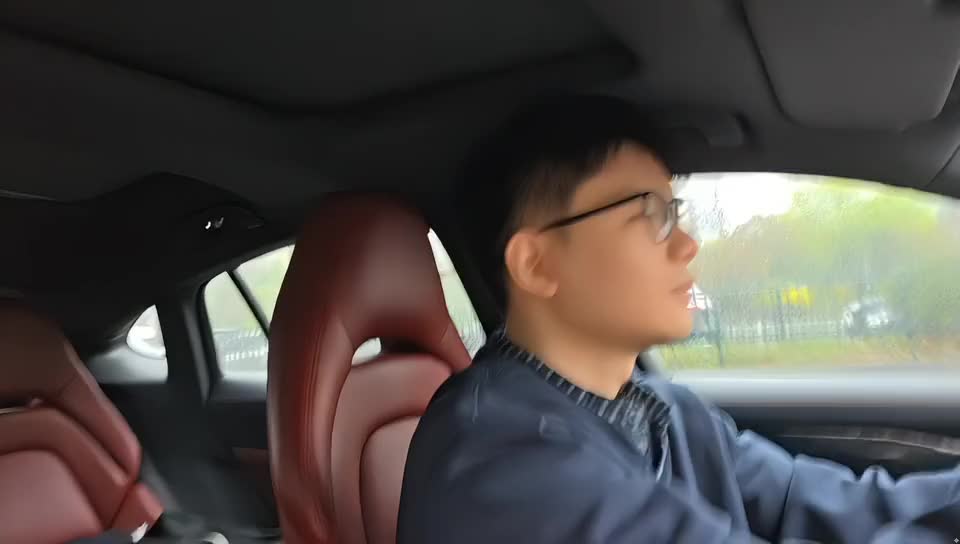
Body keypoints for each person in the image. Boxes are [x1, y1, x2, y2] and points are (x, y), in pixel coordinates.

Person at [396, 94, 960, 543]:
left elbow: (807, 499)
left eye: (675, 213)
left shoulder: (665, 411)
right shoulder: (502, 463)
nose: (688, 244)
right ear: (536, 264)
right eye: (650, 215)